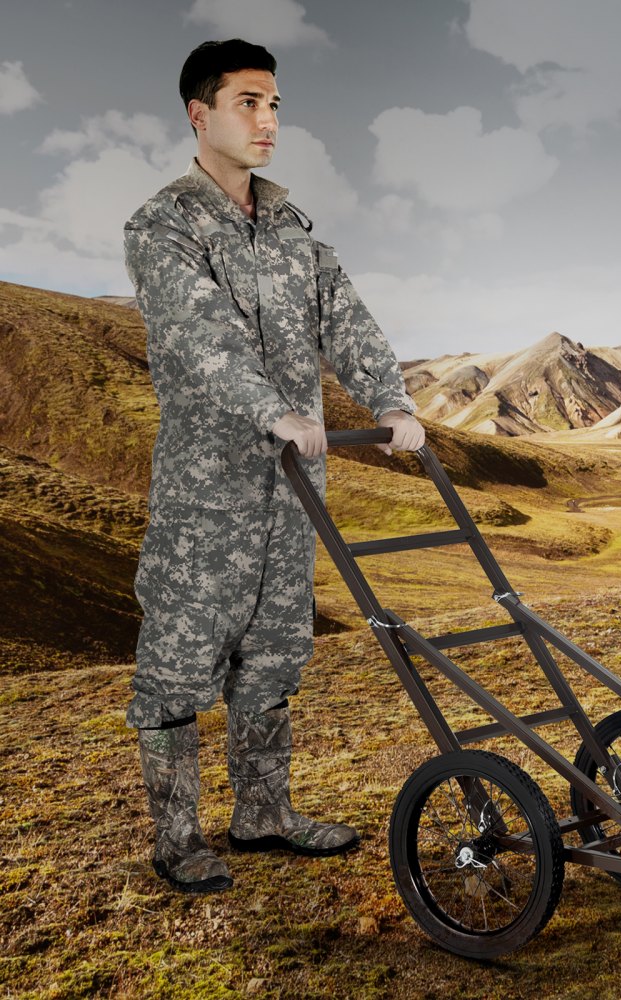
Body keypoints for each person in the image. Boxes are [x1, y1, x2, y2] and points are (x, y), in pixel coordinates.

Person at [123, 38, 424, 894]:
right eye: (248, 102)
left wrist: (390, 402)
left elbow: (348, 317)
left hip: (294, 491)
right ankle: (177, 839)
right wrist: (275, 412)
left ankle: (263, 815)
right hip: (207, 494)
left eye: (276, 104)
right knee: (180, 662)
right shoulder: (163, 229)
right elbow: (200, 335)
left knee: (275, 651)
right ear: (199, 112)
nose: (268, 121)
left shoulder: (293, 230)